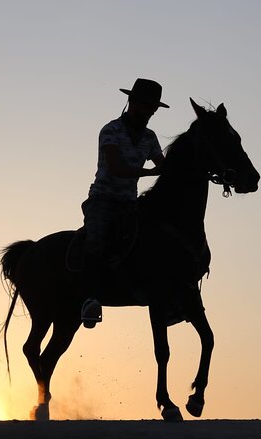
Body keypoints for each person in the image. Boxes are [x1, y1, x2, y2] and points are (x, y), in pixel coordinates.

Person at [80, 78, 169, 328]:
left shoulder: (150, 137)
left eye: (152, 108)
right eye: (145, 106)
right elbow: (117, 167)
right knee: (96, 241)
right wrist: (151, 174)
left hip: (130, 203)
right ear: (131, 102)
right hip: (102, 200)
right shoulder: (111, 130)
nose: (148, 112)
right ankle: (89, 298)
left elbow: (162, 164)